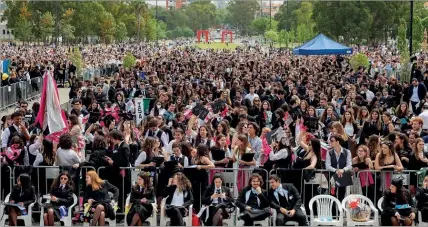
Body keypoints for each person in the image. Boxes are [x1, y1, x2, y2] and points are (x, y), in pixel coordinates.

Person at [326, 134, 352, 200]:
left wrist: (343, 170)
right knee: (331, 195)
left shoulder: (347, 152)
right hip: (332, 176)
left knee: (341, 195)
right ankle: (333, 210)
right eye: (330, 140)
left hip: (343, 176)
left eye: (332, 141)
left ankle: (340, 209)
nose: (330, 142)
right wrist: (336, 170)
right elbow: (327, 165)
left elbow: (349, 165)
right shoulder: (329, 152)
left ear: (337, 142)